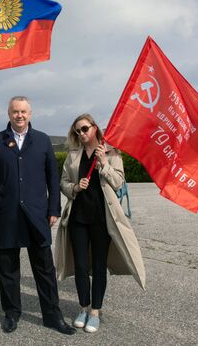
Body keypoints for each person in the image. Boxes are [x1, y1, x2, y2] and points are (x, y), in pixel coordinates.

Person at [0, 96, 76, 335]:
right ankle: (12, 313)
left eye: (23, 111)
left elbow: (52, 178)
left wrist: (53, 209)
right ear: (8, 113)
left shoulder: (42, 140)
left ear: (30, 113)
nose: (19, 115)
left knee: (44, 269)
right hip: (6, 216)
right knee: (7, 269)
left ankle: (51, 315)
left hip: (37, 215)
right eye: (15, 111)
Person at [55, 114, 146, 333]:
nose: (82, 134)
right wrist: (75, 188)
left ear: (95, 128)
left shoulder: (111, 153)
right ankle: (83, 308)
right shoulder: (73, 155)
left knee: (98, 266)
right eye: (77, 131)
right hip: (77, 218)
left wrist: (104, 163)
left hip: (102, 220)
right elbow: (63, 183)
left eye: (85, 129)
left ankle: (95, 311)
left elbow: (118, 182)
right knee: (80, 266)